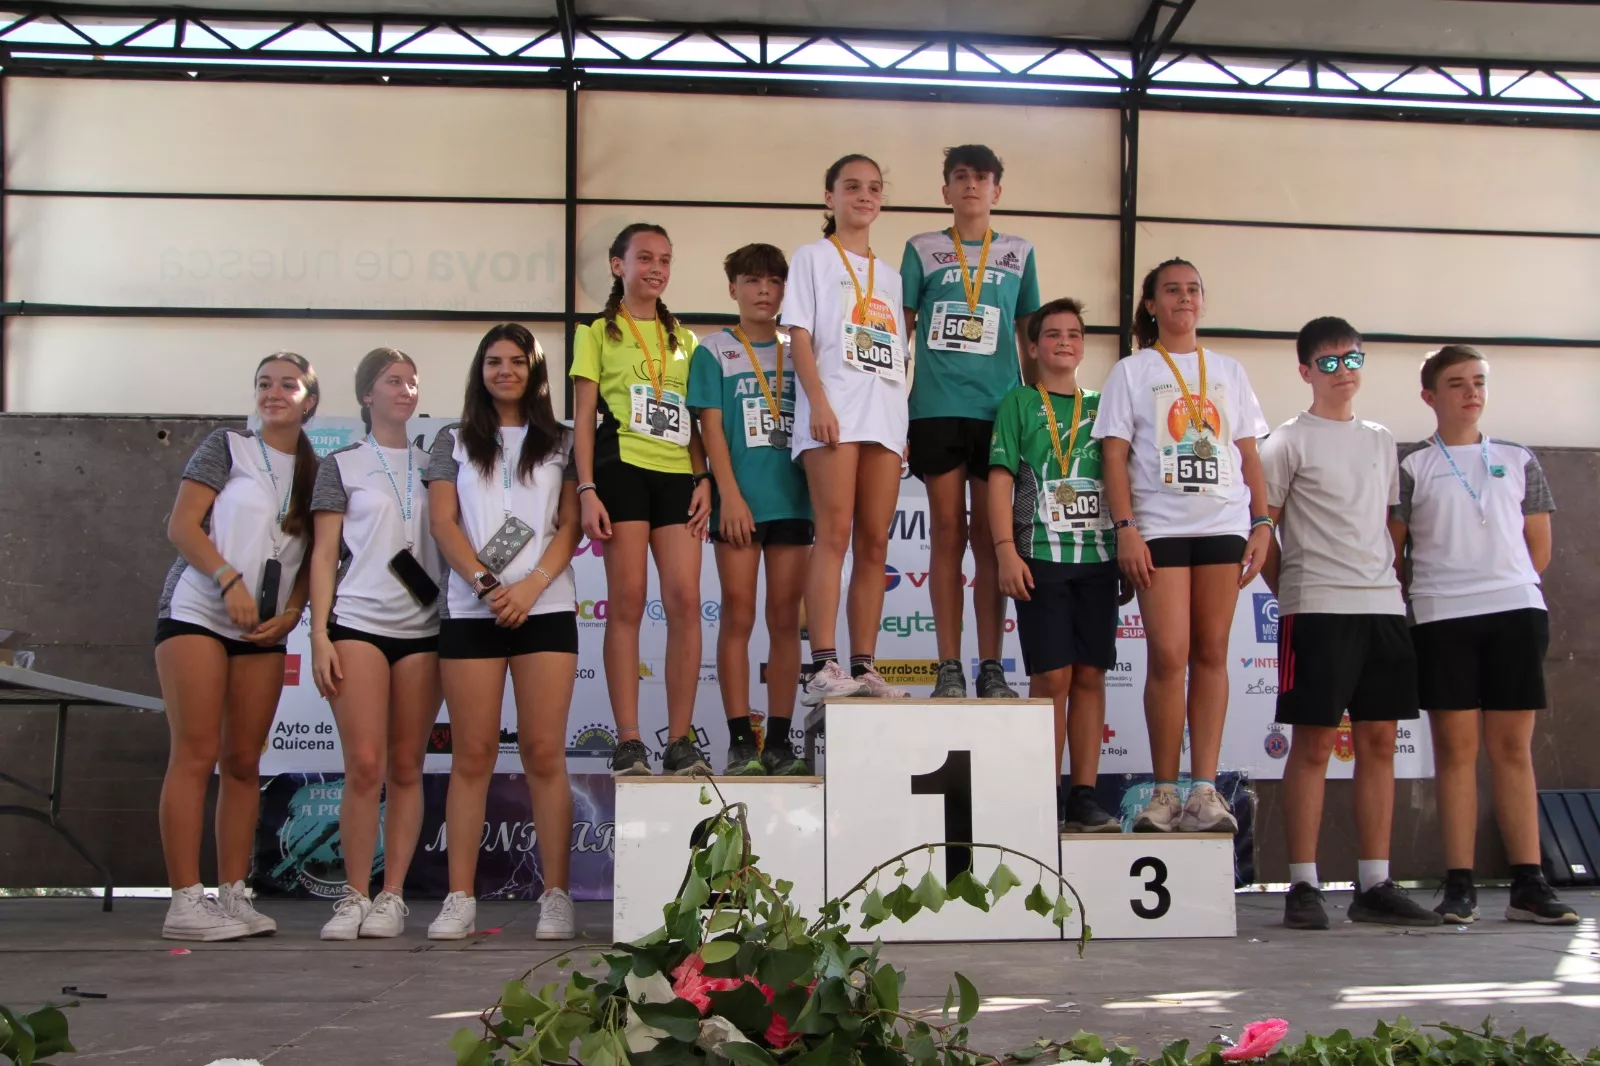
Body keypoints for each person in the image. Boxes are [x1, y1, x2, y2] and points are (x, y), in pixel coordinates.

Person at [1262, 317, 1440, 929]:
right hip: (1317, 608)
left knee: (1380, 743)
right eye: (1330, 361)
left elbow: (1389, 524)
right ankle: (1303, 884)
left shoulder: (1380, 439)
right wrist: (1294, 591)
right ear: (1306, 370)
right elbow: (1266, 532)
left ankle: (1375, 883)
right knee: (1312, 744)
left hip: (1383, 608)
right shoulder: (1285, 441)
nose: (1344, 371)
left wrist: (1382, 578)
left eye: (1353, 358)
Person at [1390, 345, 1578, 925]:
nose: (1470, 392)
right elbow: (1395, 553)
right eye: (1456, 383)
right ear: (1430, 396)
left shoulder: (1519, 459)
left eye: (1478, 381)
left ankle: (1528, 883)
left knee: (1512, 750)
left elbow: (1537, 549)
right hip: (1442, 617)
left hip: (1515, 612)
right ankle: (1460, 885)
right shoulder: (1412, 465)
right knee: (1456, 751)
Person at [1093, 258, 1271, 834]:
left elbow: (1247, 453)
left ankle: (1204, 790)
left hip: (1222, 523)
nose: (1184, 298)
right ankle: (1164, 791)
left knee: (1213, 653)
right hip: (1161, 527)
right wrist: (1125, 527)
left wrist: (1263, 522)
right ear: (1151, 304)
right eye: (1171, 290)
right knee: (1168, 655)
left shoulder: (1228, 370)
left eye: (1193, 289)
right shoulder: (1132, 370)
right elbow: (1113, 455)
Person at [423, 324, 582, 941]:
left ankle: (556, 895)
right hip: (472, 612)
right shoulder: (453, 440)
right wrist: (490, 588)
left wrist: (531, 586)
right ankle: (459, 897)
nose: (505, 371)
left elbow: (570, 526)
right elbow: (443, 522)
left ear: (535, 373)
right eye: (494, 361)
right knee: (472, 757)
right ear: (479, 370)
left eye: (518, 362)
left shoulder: (563, 442)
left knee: (544, 753)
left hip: (545, 608)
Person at [154, 352, 320, 941]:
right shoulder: (226, 446)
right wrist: (227, 579)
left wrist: (294, 613)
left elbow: (319, 559)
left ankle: (232, 895)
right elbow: (182, 526)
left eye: (287, 384)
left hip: (263, 631)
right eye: (263, 383)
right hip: (198, 613)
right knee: (195, 752)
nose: (273, 392)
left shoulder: (316, 470)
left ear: (310, 400)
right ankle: (183, 902)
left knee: (244, 762)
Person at [308, 348, 443, 940]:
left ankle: (392, 898)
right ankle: (354, 895)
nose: (405, 390)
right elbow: (321, 554)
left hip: (426, 630)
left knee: (408, 766)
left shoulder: (438, 462)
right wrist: (317, 633)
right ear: (367, 395)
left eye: (412, 382)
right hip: (358, 622)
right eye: (393, 381)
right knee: (365, 765)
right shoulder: (342, 464)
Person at [571, 223, 712, 777]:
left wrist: (704, 478)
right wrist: (585, 488)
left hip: (678, 473)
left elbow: (697, 417)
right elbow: (583, 419)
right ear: (617, 265)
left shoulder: (687, 340)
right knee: (627, 600)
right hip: (622, 468)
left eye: (665, 260)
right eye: (644, 258)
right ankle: (629, 740)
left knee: (684, 600)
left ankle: (680, 740)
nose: (656, 268)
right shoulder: (596, 332)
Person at [903, 144, 1040, 700]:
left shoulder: (1020, 252)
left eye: (982, 178)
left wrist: (1036, 407)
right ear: (945, 191)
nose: (971, 186)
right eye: (960, 177)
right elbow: (900, 334)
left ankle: (991, 665)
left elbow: (1028, 336)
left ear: (997, 191)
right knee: (946, 535)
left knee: (990, 539)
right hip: (936, 407)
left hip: (999, 412)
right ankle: (947, 667)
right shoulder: (922, 248)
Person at [987, 299, 1120, 832]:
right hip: (1041, 555)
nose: (1064, 342)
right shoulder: (1018, 403)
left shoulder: (1104, 404)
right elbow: (1001, 478)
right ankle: (1042, 793)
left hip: (1099, 558)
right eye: (1053, 334)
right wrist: (1004, 549)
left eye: (1074, 334)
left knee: (1091, 674)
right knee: (1053, 677)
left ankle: (1083, 797)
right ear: (1034, 346)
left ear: (1083, 345)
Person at [786, 153, 911, 707]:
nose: (864, 196)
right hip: (834, 410)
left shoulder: (891, 276)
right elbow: (800, 338)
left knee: (875, 542)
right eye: (852, 186)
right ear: (829, 197)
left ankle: (864, 663)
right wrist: (817, 401)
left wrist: (900, 418)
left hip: (884, 416)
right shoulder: (812, 258)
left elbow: (897, 354)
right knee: (833, 532)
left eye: (874, 188)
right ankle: (822, 664)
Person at [688, 243, 812, 776]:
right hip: (740, 502)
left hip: (795, 498)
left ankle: (780, 741)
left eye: (774, 282)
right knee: (737, 616)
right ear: (733, 287)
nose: (764, 291)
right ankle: (741, 740)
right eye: (752, 281)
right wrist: (728, 494)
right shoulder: (713, 349)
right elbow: (709, 428)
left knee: (787, 621)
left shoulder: (800, 346)